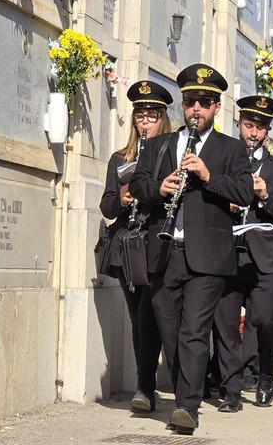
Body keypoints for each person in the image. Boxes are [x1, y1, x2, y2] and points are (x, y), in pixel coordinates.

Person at [129, 63, 254, 435]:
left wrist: (208, 175)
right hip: (164, 252)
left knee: (194, 332)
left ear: (217, 108)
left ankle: (187, 407)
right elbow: (137, 185)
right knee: (171, 335)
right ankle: (187, 393)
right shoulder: (158, 145)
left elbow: (244, 192)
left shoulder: (230, 149)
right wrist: (159, 189)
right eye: (190, 102)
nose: (195, 109)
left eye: (204, 102)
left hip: (208, 257)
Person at [213, 95, 273, 412]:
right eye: (248, 125)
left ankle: (265, 374)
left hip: (264, 257)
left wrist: (265, 197)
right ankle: (232, 388)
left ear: (267, 133)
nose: (253, 133)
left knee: (265, 320)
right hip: (228, 254)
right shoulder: (223, 160)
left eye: (259, 127)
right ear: (239, 125)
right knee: (226, 322)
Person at [99, 80, 173, 414]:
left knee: (153, 316)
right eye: (140, 116)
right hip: (128, 248)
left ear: (163, 119)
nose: (145, 123)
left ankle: (155, 384)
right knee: (137, 318)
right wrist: (123, 198)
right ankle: (145, 386)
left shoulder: (171, 153)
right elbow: (107, 205)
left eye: (152, 116)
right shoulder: (120, 158)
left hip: (157, 244)